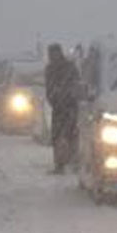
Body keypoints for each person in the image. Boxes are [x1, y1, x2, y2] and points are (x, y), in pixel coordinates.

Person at [45, 43, 82, 175]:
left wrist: (69, 97)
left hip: (70, 107)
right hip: (58, 108)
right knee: (57, 137)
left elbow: (77, 84)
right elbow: (48, 89)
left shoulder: (70, 67)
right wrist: (53, 99)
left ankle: (74, 163)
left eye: (54, 53)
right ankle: (59, 165)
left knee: (71, 135)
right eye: (51, 53)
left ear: (59, 53)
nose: (52, 56)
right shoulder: (49, 69)